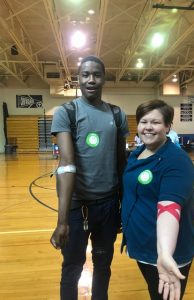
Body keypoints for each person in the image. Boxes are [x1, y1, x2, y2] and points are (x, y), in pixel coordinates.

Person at [50, 55, 129, 300]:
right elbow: (66, 165)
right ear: (78, 79)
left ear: (104, 78)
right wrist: (62, 220)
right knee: (72, 268)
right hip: (77, 208)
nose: (91, 79)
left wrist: (123, 210)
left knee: (103, 265)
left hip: (108, 207)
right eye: (85, 74)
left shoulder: (117, 115)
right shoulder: (66, 113)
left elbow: (121, 164)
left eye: (96, 74)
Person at [121, 99, 194, 300]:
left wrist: (164, 251)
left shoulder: (177, 161)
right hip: (142, 246)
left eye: (155, 122)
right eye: (143, 121)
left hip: (167, 254)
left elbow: (169, 208)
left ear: (168, 126)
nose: (148, 127)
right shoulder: (137, 154)